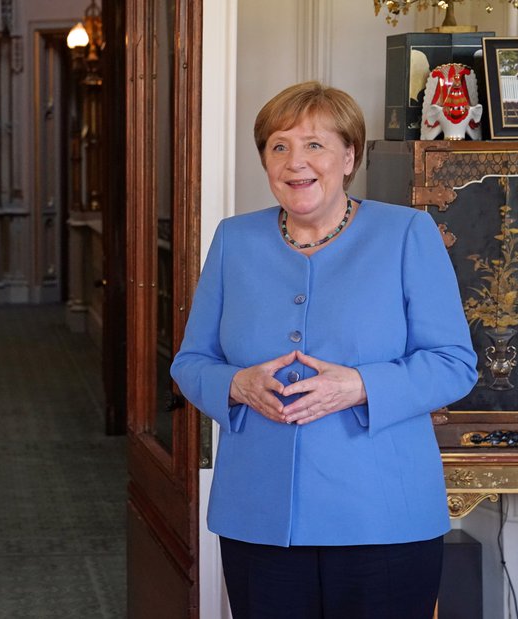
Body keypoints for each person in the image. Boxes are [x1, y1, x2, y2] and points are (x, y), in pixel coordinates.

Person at [170, 82, 477, 619]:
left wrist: (359, 385)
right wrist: (235, 385)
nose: (296, 162)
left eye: (314, 144)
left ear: (349, 155)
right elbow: (192, 362)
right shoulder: (234, 240)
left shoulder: (406, 232)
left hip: (383, 517)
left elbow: (454, 363)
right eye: (279, 146)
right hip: (259, 516)